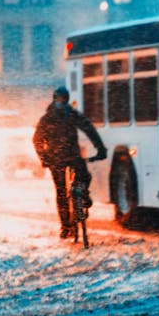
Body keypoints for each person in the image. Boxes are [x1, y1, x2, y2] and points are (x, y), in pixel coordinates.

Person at [33, 86, 107, 238]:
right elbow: (89, 129)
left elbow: (89, 130)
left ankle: (68, 222)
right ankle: (70, 218)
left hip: (60, 158)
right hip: (66, 157)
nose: (61, 102)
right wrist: (101, 149)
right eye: (60, 99)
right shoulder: (66, 115)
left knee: (64, 190)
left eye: (63, 99)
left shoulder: (49, 118)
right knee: (66, 188)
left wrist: (44, 158)